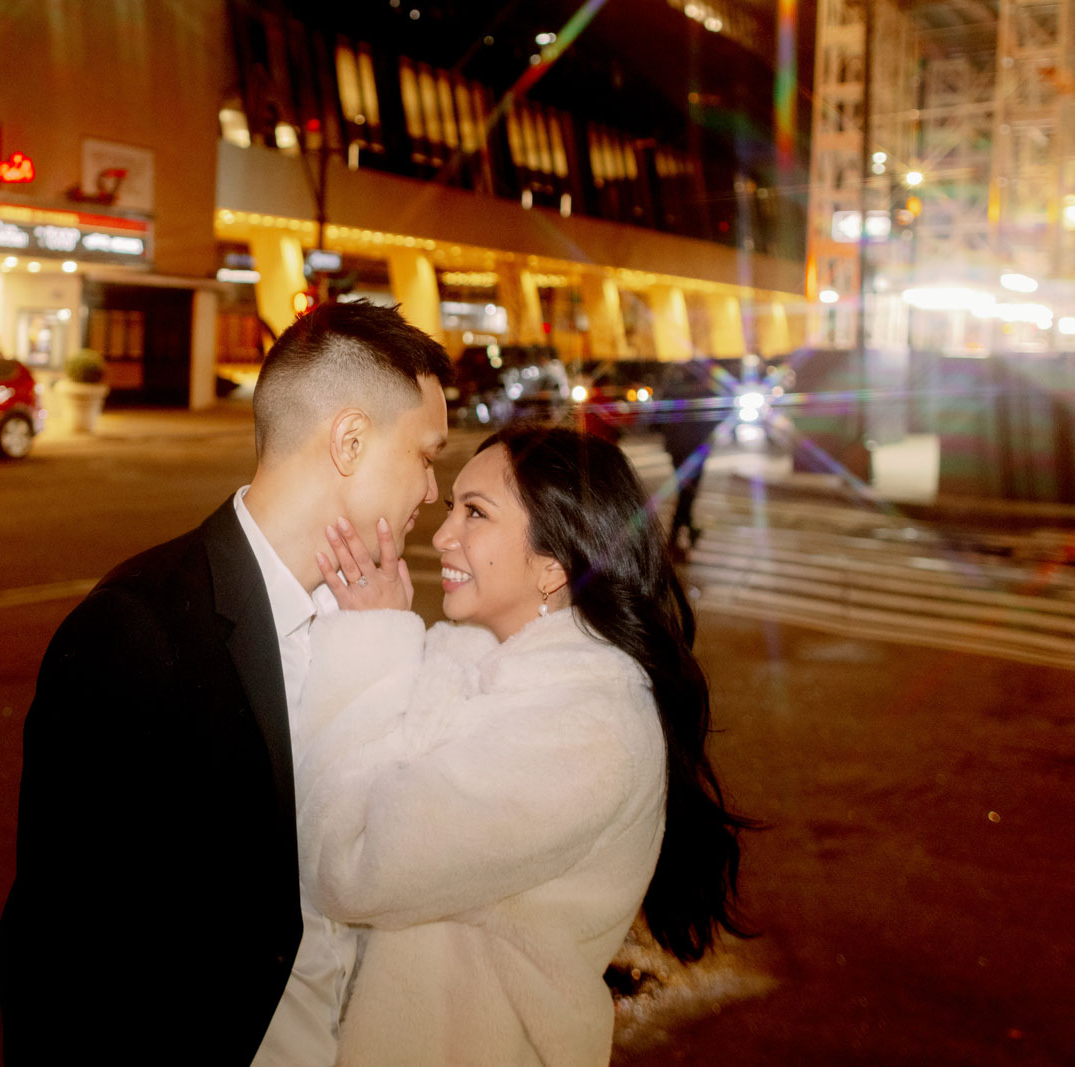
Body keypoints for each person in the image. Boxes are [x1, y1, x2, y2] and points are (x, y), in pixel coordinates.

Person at [0, 300, 452, 1064]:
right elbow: (60, 953)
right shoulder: (137, 632)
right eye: (427, 454)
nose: (432, 492)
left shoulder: (368, 622)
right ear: (349, 440)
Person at [297, 425, 751, 1066]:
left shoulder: (587, 728)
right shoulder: (475, 665)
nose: (443, 534)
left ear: (553, 564)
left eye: (475, 513)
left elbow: (347, 862)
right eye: (452, 505)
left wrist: (370, 642)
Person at [656, 357, 724, 555]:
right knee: (688, 493)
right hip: (694, 448)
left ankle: (687, 530)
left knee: (686, 491)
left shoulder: (673, 389)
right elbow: (718, 417)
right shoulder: (705, 390)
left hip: (678, 448)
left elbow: (658, 417)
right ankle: (676, 536)